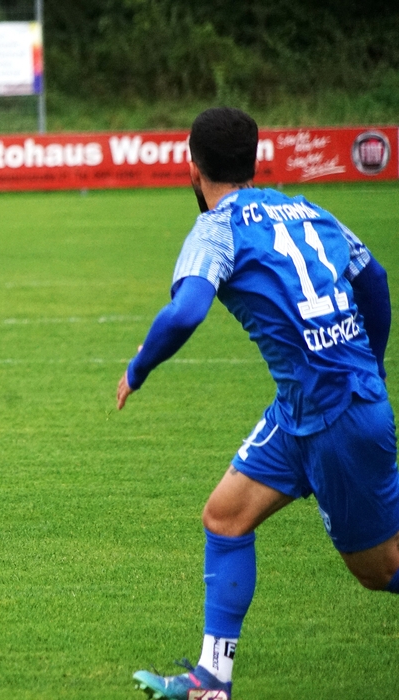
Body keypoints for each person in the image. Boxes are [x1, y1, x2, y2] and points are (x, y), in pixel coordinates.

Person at [117, 107, 399, 699]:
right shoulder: (308, 210)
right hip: (304, 409)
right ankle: (211, 679)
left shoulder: (215, 230)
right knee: (225, 517)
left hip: (337, 417)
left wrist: (138, 368)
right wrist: (370, 367)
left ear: (192, 168)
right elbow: (373, 280)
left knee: (380, 571)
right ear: (254, 161)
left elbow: (186, 312)